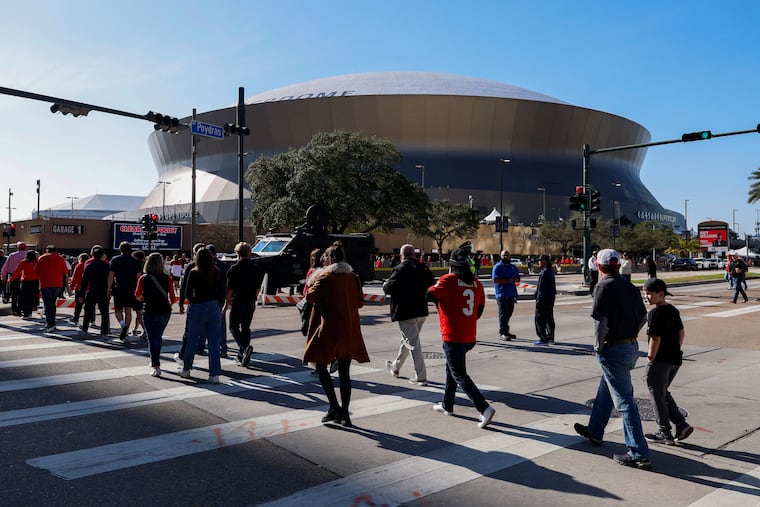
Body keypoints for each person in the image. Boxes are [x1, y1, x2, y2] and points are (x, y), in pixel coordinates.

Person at [574, 248, 650, 469]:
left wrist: (598, 345)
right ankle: (595, 431)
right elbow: (644, 316)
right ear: (618, 265)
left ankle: (638, 452)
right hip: (630, 347)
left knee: (624, 401)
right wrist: (631, 333)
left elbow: (600, 320)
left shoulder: (602, 286)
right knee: (606, 388)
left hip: (613, 348)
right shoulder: (629, 286)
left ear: (599, 266)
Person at [303, 241, 369, 427]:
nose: (323, 261)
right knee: (344, 372)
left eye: (325, 258)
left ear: (331, 259)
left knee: (320, 365)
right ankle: (344, 412)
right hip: (349, 329)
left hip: (329, 328)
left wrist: (314, 278)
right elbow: (360, 303)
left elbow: (309, 297)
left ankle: (333, 406)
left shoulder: (325, 277)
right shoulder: (353, 277)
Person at [428, 247, 495, 429]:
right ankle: (447, 404)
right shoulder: (476, 283)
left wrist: (443, 304)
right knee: (452, 368)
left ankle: (484, 408)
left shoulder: (448, 280)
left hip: (452, 334)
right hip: (469, 335)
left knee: (459, 373)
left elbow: (429, 294)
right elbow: (479, 310)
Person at [641, 278, 694, 445]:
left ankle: (664, 432)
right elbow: (681, 334)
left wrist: (650, 358)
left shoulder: (654, 314)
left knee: (657, 395)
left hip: (660, 360)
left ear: (661, 294)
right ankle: (680, 424)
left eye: (650, 294)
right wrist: (675, 349)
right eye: (645, 294)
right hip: (675, 359)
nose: (647, 297)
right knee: (663, 391)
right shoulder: (673, 310)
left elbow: (655, 339)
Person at [383, 243, 435, 386]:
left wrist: (385, 285)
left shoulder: (399, 269)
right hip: (421, 310)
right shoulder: (423, 267)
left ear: (402, 256)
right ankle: (396, 367)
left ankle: (421, 375)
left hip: (406, 312)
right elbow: (432, 284)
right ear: (414, 254)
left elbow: (389, 288)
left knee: (413, 343)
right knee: (407, 340)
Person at [181, 247, 224, 384]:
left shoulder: (194, 272)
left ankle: (186, 369)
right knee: (214, 342)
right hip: (213, 306)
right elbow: (221, 292)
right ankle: (214, 374)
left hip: (198, 306)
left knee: (192, 339)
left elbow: (188, 293)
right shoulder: (217, 272)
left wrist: (193, 300)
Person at [135, 252, 177, 377]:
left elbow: (137, 295)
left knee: (152, 339)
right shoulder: (167, 278)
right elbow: (173, 297)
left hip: (149, 310)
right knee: (158, 337)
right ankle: (155, 362)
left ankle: (156, 364)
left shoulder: (144, 278)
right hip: (164, 310)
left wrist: (143, 298)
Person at [224, 241, 265, 367]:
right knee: (246, 327)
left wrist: (226, 304)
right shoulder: (256, 268)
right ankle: (244, 351)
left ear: (237, 253)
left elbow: (230, 289)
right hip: (250, 300)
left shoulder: (234, 269)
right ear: (249, 252)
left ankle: (243, 348)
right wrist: (255, 297)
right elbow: (258, 288)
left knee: (233, 326)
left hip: (238, 300)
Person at [108, 241, 143, 342]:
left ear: (120, 249)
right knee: (128, 310)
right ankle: (126, 332)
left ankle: (122, 325)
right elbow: (138, 277)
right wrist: (138, 290)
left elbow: (111, 276)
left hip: (119, 288)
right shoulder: (136, 262)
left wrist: (108, 289)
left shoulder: (115, 260)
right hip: (131, 289)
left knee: (118, 310)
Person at [36, 245, 70, 332]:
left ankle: (49, 324)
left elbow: (36, 271)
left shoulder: (42, 258)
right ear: (55, 250)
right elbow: (65, 273)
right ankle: (52, 323)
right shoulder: (61, 259)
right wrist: (67, 286)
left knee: (47, 304)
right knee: (52, 304)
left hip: (45, 284)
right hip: (57, 284)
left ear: (47, 250)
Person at [79, 246, 111, 337]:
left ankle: (85, 329)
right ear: (102, 256)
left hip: (92, 290)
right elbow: (110, 279)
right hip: (103, 291)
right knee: (104, 312)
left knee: (88, 311)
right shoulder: (106, 266)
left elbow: (84, 281)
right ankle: (104, 331)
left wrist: (81, 294)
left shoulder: (89, 266)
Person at [492, 249, 520, 341]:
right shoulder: (498, 267)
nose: (506, 257)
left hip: (511, 294)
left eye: (507, 255)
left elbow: (517, 278)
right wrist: (509, 280)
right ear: (501, 256)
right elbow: (496, 280)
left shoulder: (512, 267)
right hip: (502, 294)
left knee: (509, 313)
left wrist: (514, 279)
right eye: (504, 255)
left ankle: (506, 330)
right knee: (503, 314)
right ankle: (502, 332)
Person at [533, 254, 556, 345]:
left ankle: (543, 338)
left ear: (545, 261)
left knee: (539, 319)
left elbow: (541, 288)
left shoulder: (544, 272)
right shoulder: (549, 271)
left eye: (540, 260)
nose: (539, 262)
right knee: (549, 318)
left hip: (543, 299)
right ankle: (550, 337)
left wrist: (538, 298)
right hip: (550, 298)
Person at [10, 249, 39, 319]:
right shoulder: (37, 262)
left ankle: (25, 313)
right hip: (35, 281)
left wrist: (11, 279)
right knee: (32, 297)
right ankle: (29, 313)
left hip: (25, 282)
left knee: (25, 298)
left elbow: (17, 271)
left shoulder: (23, 262)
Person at [1, 241, 28, 316]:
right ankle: (20, 309)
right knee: (22, 294)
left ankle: (14, 309)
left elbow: (5, 267)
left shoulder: (12, 255)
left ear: (17, 247)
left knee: (14, 294)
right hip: (24, 275)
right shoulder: (27, 255)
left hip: (13, 275)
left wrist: (3, 277)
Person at [68, 253, 89, 325]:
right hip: (89, 288)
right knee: (89, 306)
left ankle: (76, 318)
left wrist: (71, 287)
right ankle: (92, 320)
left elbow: (75, 277)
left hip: (80, 287)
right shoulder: (89, 265)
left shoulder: (79, 265)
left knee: (78, 305)